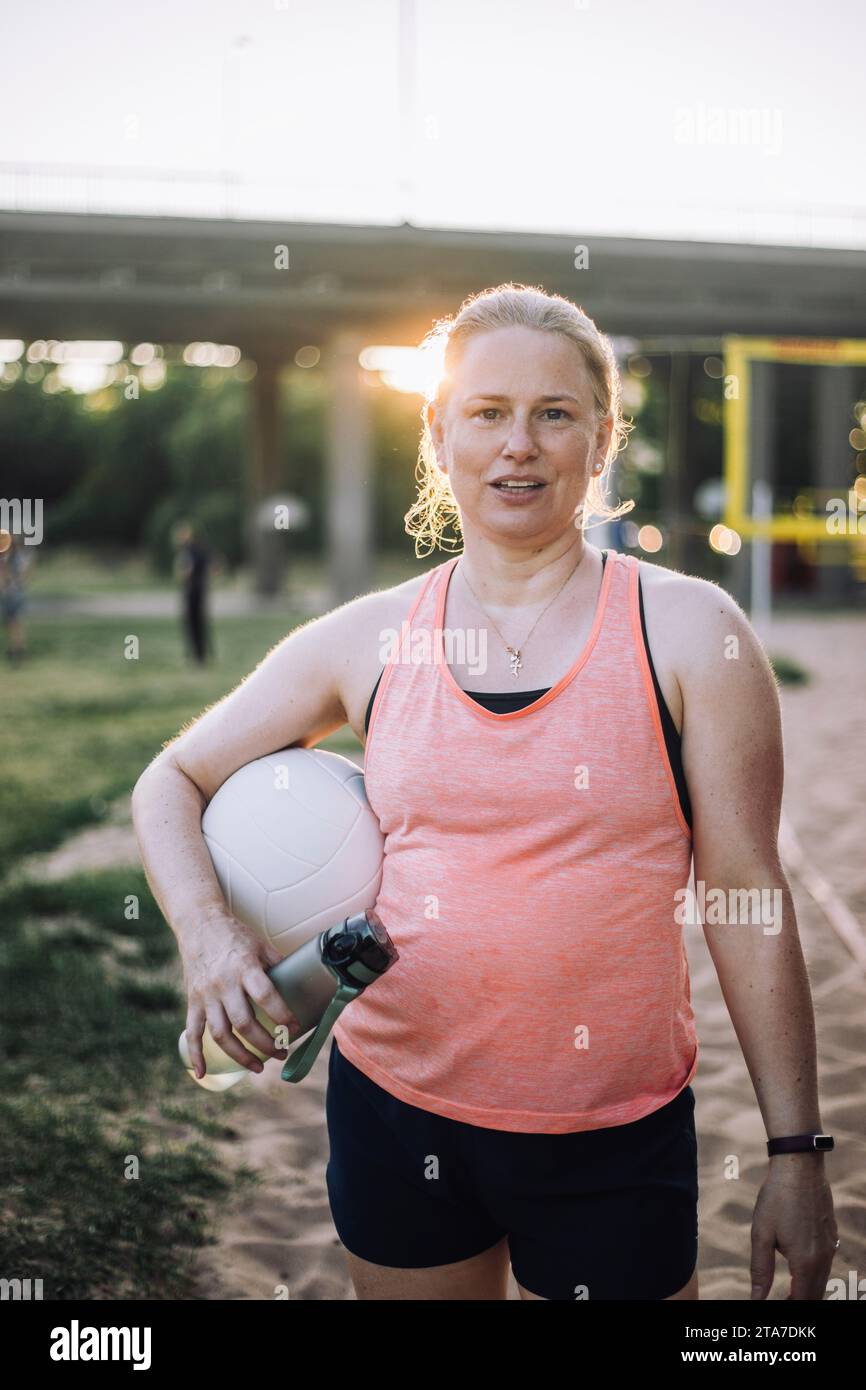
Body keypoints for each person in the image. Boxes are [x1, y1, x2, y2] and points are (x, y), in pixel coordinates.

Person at [131, 284, 837, 1301]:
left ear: (599, 443)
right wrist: (207, 934)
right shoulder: (367, 637)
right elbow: (171, 778)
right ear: (438, 436)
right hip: (395, 1110)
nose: (520, 445)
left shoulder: (690, 631)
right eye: (487, 413)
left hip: (613, 1130)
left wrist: (793, 1148)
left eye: (554, 414)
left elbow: (744, 892)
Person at [173, 521, 212, 664]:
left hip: (193, 591)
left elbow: (186, 572)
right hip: (197, 590)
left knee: (195, 623)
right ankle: (199, 654)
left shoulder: (191, 551)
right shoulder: (197, 550)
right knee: (197, 623)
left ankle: (199, 655)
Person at [0, 530, 30, 665]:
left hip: (11, 593)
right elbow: (25, 576)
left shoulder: (8, 559)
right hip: (17, 592)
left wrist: (6, 572)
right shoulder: (22, 557)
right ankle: (18, 649)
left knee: (13, 622)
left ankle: (16, 650)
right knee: (15, 623)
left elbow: (7, 577)